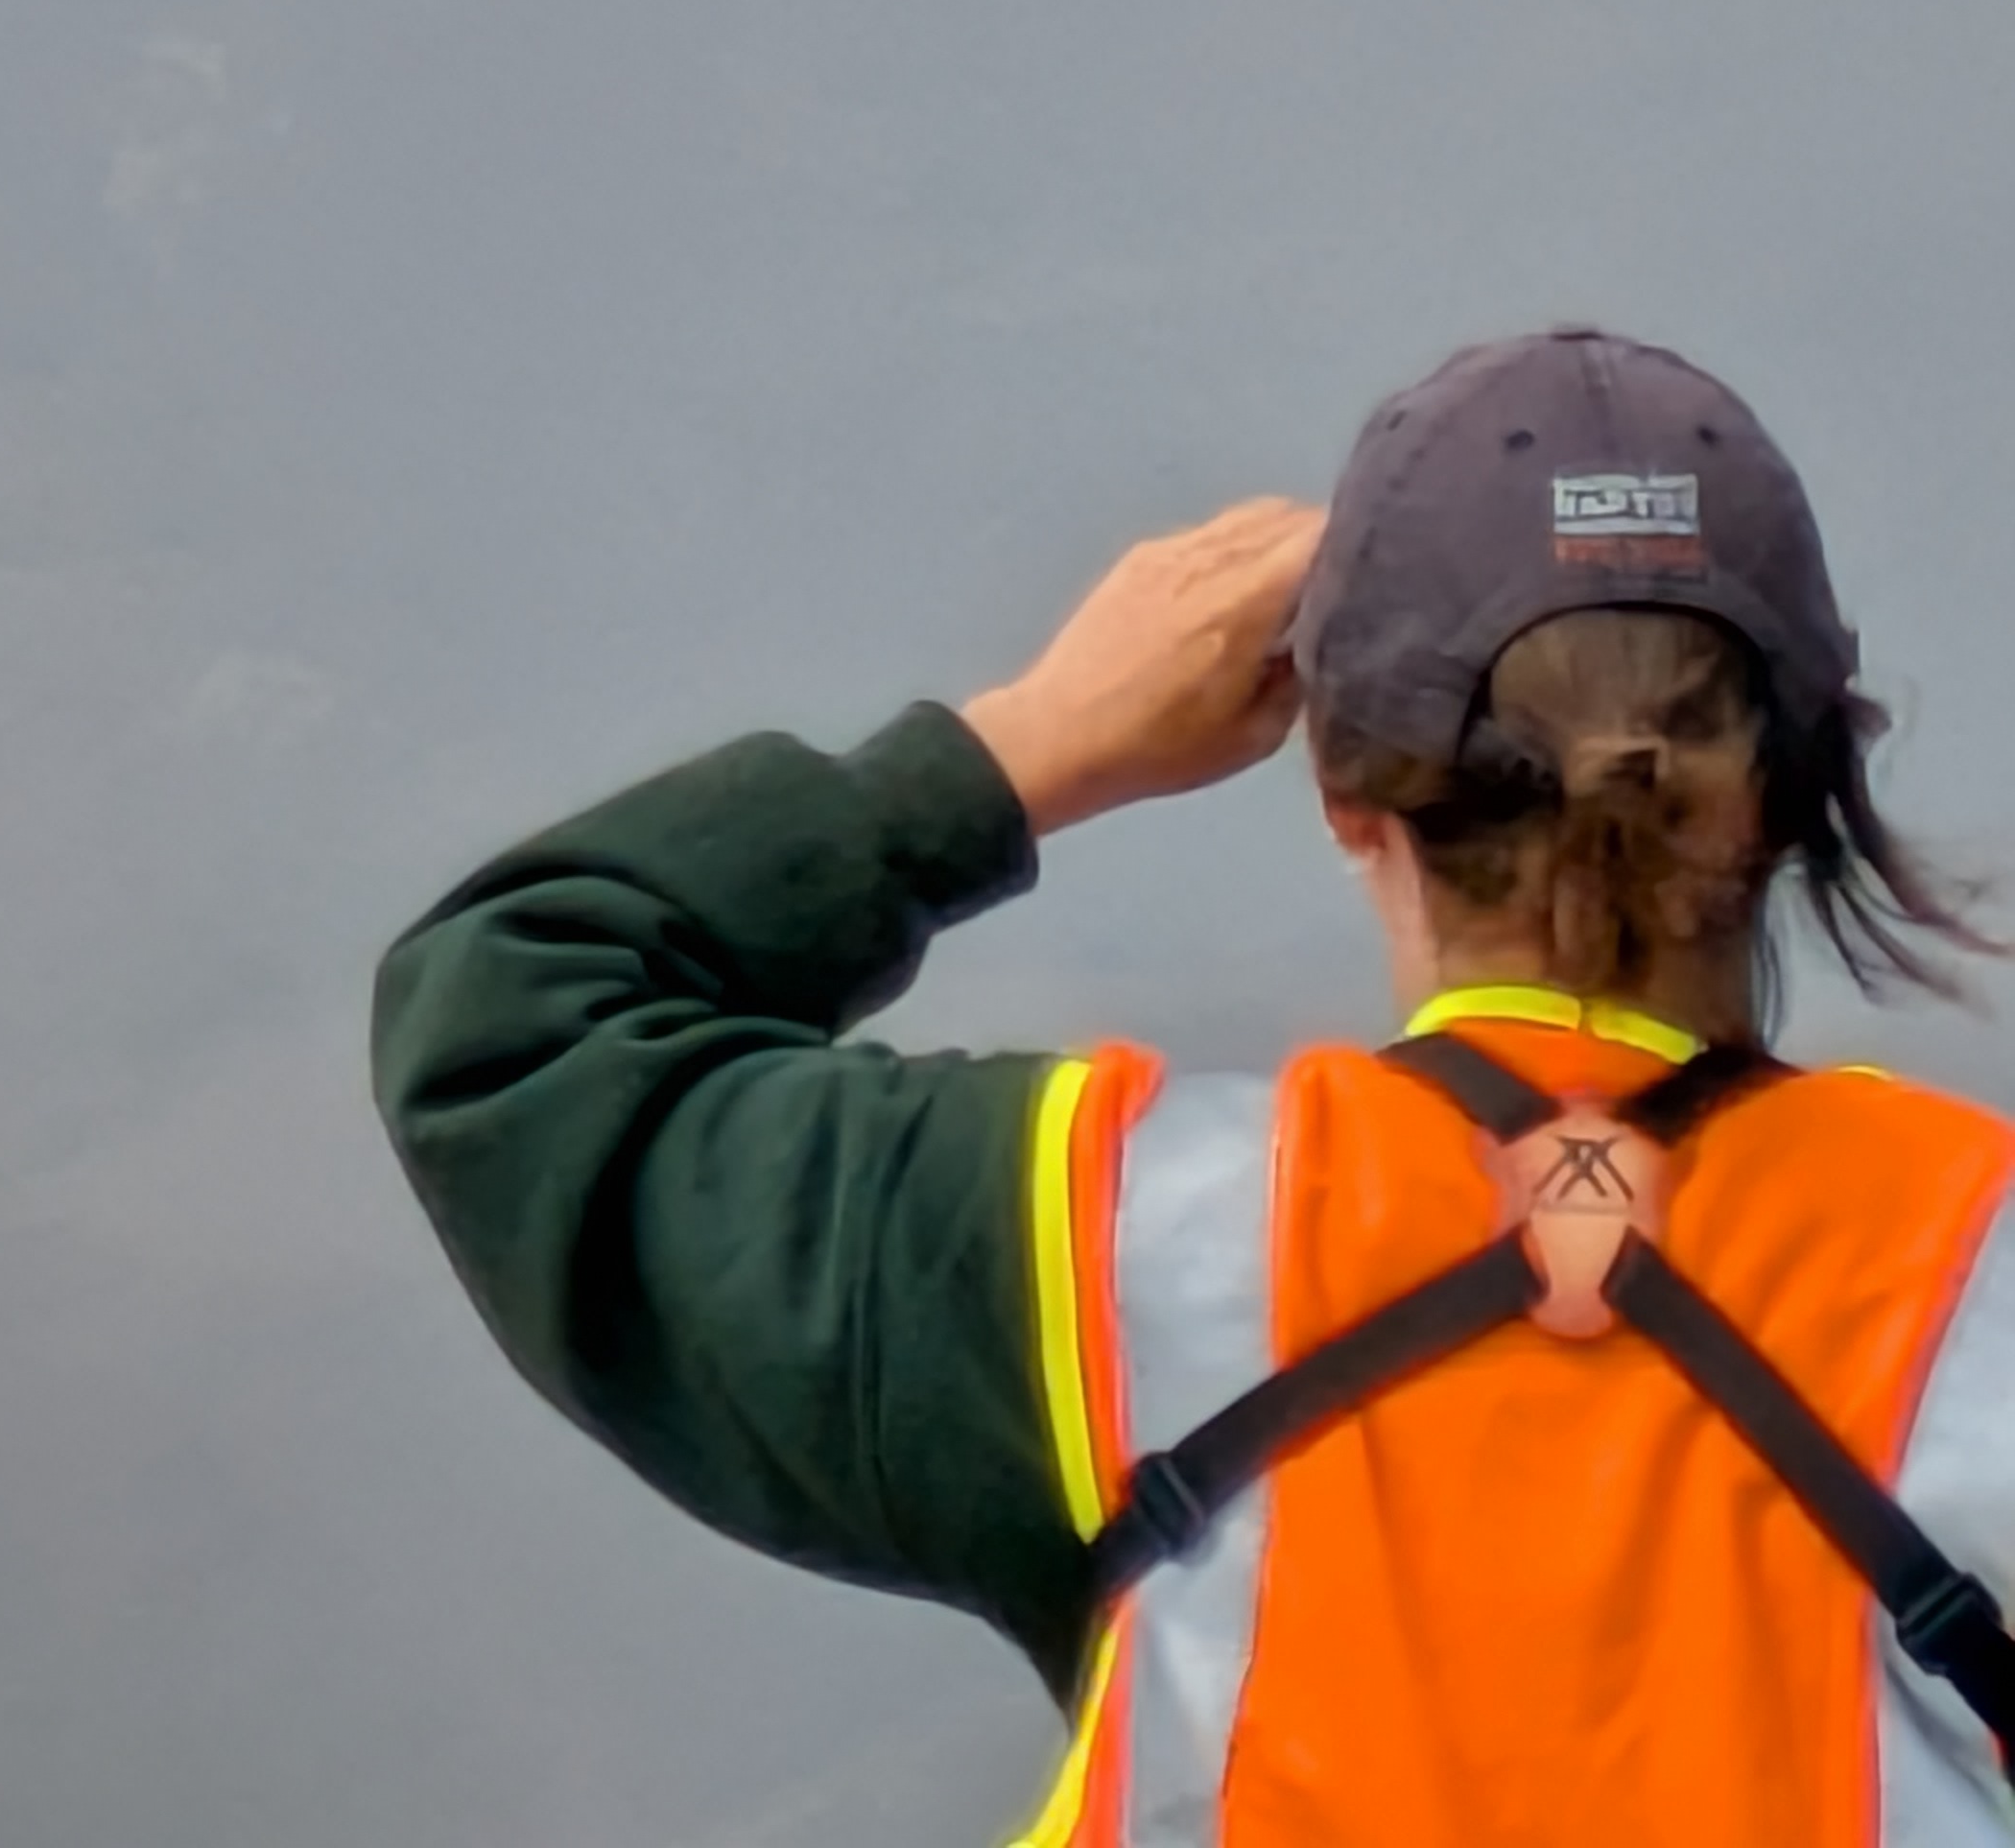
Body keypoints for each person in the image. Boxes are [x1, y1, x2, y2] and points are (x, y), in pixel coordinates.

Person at [373, 329, 2012, 1845]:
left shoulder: (1097, 1239)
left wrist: (1019, 748)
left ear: (1342, 786)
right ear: (1803, 788)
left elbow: (516, 1035)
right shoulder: (1989, 1268)